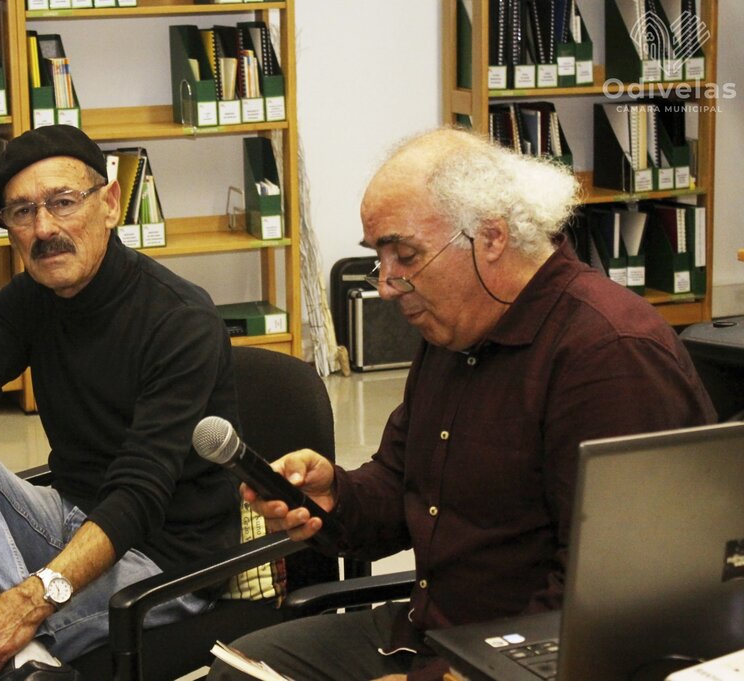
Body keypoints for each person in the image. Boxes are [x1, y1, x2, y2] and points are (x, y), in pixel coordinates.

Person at [207, 128, 716, 681]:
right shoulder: (457, 328)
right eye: (379, 257)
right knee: (240, 672)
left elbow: (612, 595)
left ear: (490, 237)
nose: (386, 284)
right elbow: (403, 487)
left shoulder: (607, 354)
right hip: (433, 633)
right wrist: (337, 497)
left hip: (526, 657)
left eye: (405, 255)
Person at [0, 124, 241, 680]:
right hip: (70, 518)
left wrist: (29, 601)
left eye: (63, 202)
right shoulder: (33, 297)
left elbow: (137, 498)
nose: (44, 229)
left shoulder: (180, 321)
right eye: (22, 212)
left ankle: (17, 650)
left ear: (110, 204)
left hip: (165, 558)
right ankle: (27, 663)